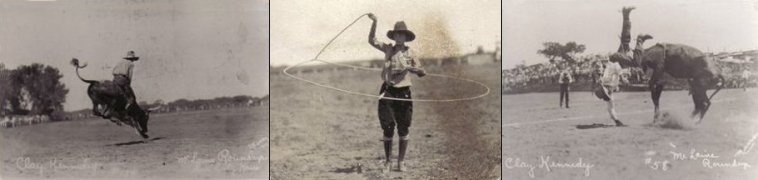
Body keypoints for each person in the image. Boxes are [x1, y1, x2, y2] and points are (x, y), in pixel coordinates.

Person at [368, 13, 426, 172]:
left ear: (406, 37)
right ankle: (388, 162)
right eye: (397, 34)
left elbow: (421, 72)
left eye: (402, 34)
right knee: (387, 127)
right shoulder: (388, 48)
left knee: (404, 128)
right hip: (387, 92)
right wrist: (375, 22)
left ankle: (401, 162)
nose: (399, 37)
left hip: (404, 93)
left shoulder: (411, 53)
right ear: (394, 36)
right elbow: (371, 40)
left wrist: (417, 70)